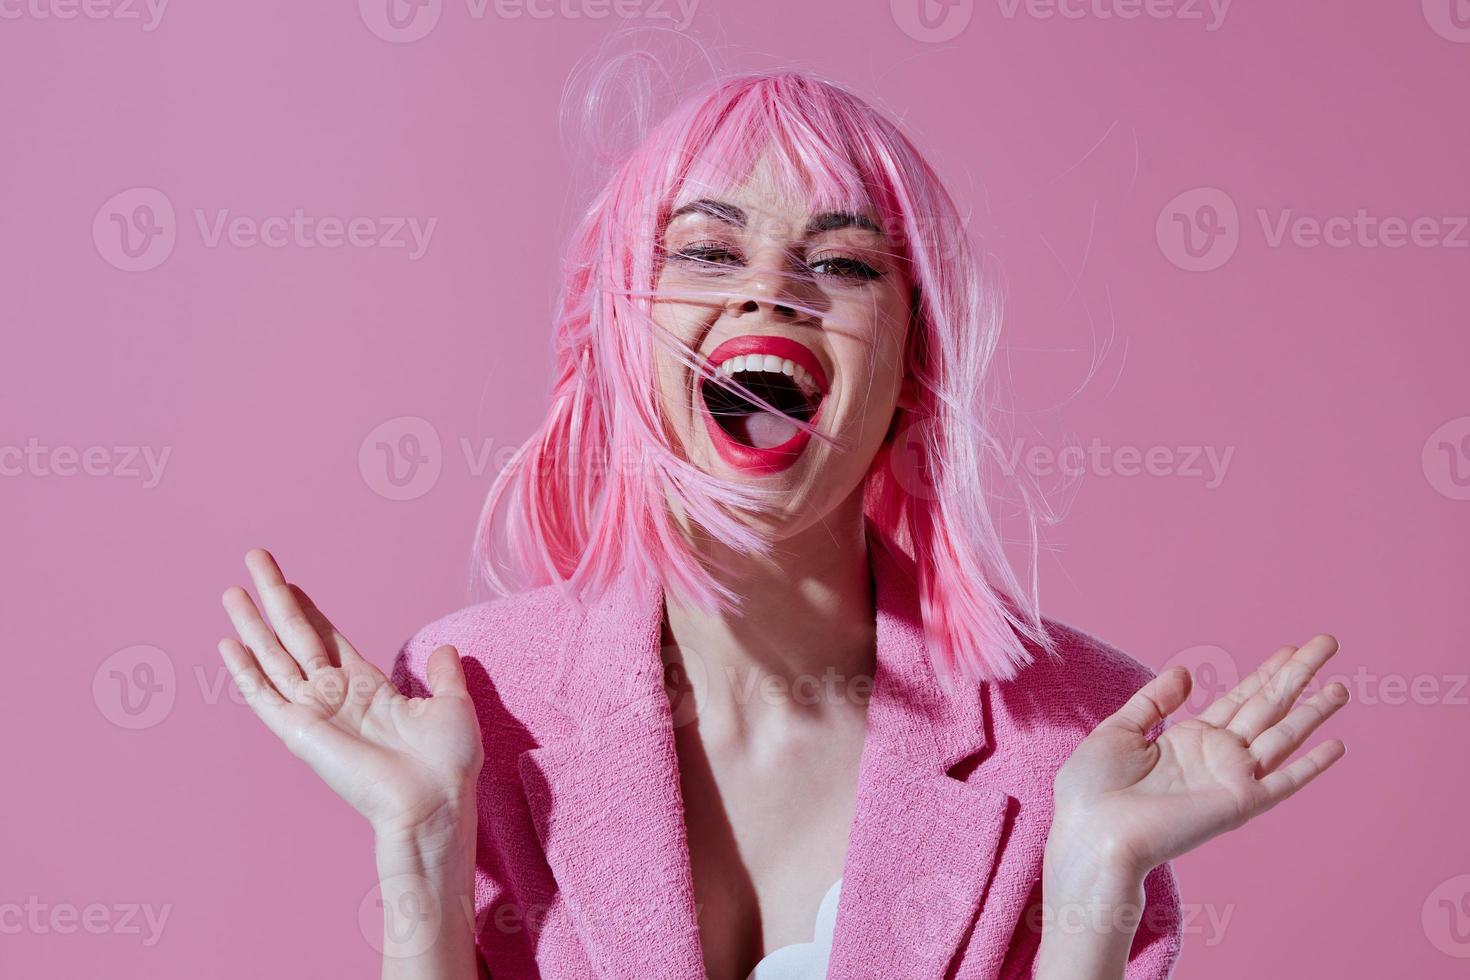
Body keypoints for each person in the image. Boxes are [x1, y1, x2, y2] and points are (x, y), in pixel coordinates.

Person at [216, 70, 1351, 980]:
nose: (774, 293)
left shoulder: (1080, 736)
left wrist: (1093, 898)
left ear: (910, 367)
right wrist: (423, 857)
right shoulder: (475, 698)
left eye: (844, 263)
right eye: (708, 249)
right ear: (623, 340)